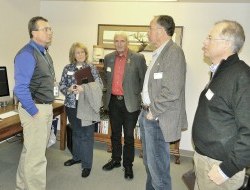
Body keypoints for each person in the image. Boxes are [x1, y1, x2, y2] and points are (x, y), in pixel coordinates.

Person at [192, 20, 250, 190]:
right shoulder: (220, 71)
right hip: (205, 159)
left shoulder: (242, 77)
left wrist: (227, 169)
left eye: (210, 38)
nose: (204, 42)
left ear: (227, 44)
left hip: (220, 167)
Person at [139, 15, 188, 190]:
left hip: (158, 118)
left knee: (158, 168)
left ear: (160, 31)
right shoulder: (159, 53)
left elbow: (172, 89)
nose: (147, 32)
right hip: (148, 115)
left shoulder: (174, 52)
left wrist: (153, 111)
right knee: (151, 164)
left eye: (150, 28)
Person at [14, 16, 55, 190]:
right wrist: (35, 112)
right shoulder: (27, 54)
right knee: (37, 158)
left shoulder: (43, 52)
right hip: (35, 109)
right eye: (45, 29)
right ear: (34, 33)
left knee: (30, 152)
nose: (49, 32)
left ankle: (22, 186)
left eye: (50, 29)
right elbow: (21, 88)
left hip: (44, 106)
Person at [102, 31, 147, 180]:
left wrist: (135, 94)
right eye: (116, 41)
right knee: (114, 133)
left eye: (122, 41)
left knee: (128, 136)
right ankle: (115, 160)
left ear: (127, 43)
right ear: (113, 43)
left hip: (130, 103)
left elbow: (143, 80)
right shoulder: (108, 59)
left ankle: (128, 165)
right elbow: (106, 80)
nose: (119, 44)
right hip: (113, 102)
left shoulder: (137, 58)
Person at [59, 42, 103, 178]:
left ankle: (86, 165)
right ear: (73, 54)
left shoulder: (91, 67)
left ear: (86, 54)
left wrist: (84, 88)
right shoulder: (68, 68)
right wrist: (69, 89)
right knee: (76, 132)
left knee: (87, 135)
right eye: (77, 52)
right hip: (72, 105)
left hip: (87, 105)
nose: (80, 55)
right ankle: (76, 157)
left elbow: (99, 85)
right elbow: (61, 85)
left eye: (82, 52)